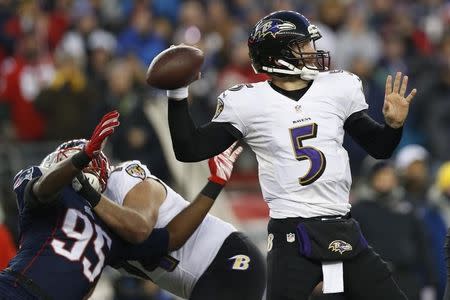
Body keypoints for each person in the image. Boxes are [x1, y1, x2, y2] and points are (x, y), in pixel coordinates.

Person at [165, 10, 417, 300]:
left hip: (342, 226)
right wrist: (177, 95)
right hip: (291, 234)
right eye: (303, 45)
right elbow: (190, 149)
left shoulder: (337, 88)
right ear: (277, 55)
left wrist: (394, 126)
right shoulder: (248, 102)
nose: (313, 51)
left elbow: (380, 147)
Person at [0, 111, 241, 299]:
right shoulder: (43, 196)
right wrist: (81, 157)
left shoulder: (111, 226)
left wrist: (214, 184)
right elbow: (42, 188)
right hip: (15, 289)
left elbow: (173, 236)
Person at [97, 144, 266, 300]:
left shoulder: (121, 181)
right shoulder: (85, 230)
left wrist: (215, 183)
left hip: (226, 260)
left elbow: (157, 235)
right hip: (201, 280)